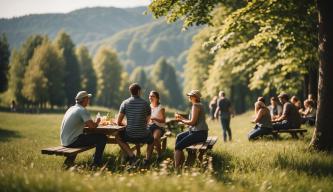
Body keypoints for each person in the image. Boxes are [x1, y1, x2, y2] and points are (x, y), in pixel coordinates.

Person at [60, 91, 107, 166]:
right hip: (72, 141)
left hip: (65, 141)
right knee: (102, 138)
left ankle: (68, 163)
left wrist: (91, 123)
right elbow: (92, 126)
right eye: (88, 99)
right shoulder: (82, 110)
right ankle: (96, 163)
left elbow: (82, 124)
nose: (89, 100)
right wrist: (97, 121)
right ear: (84, 100)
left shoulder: (71, 108)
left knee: (91, 136)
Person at [116, 83, 154, 165]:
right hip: (143, 135)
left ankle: (132, 156)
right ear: (139, 91)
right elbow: (147, 121)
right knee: (151, 140)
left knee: (118, 137)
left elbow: (118, 122)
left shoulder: (124, 103)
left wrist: (127, 125)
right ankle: (147, 160)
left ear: (130, 92)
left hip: (130, 135)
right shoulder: (145, 104)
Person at [174, 90, 208, 168]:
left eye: (190, 95)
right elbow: (194, 122)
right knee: (179, 137)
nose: (189, 97)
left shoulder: (195, 106)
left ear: (195, 97)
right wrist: (182, 118)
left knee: (178, 147)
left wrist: (181, 120)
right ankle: (180, 163)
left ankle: (176, 168)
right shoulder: (199, 105)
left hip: (199, 134)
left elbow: (192, 122)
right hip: (199, 132)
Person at [148, 90, 166, 160]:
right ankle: (146, 156)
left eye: (152, 96)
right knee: (148, 139)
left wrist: (154, 118)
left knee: (155, 138)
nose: (150, 97)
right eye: (149, 96)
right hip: (150, 126)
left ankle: (159, 155)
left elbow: (163, 120)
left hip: (159, 127)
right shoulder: (148, 107)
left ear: (157, 98)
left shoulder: (161, 108)